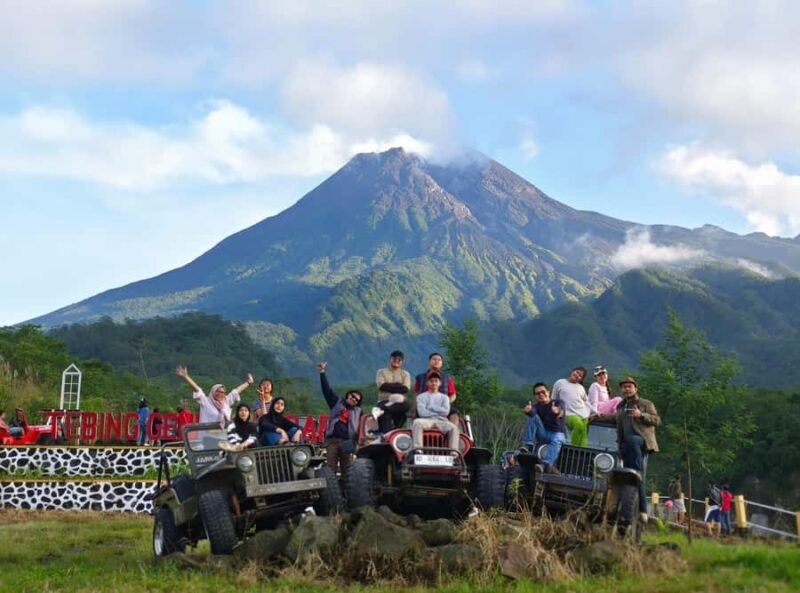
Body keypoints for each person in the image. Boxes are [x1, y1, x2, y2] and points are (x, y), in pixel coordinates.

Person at [616, 376, 660, 523]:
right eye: (624, 387)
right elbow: (617, 423)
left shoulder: (645, 403)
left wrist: (641, 415)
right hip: (627, 448)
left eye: (629, 386)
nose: (626, 389)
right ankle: (640, 511)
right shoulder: (621, 407)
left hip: (642, 443)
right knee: (633, 478)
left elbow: (656, 420)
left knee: (633, 440)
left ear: (636, 388)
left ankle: (642, 510)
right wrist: (597, 416)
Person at [317, 362, 362, 476]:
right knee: (330, 468)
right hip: (333, 440)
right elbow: (326, 390)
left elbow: (364, 427)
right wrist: (322, 373)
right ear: (348, 395)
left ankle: (346, 493)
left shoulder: (358, 412)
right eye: (352, 396)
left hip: (347, 442)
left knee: (347, 470)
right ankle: (330, 492)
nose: (354, 399)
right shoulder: (336, 403)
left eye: (357, 399)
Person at [175, 365, 254, 427]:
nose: (220, 394)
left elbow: (236, 391)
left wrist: (248, 383)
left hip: (223, 436)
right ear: (213, 391)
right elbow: (197, 389)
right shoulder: (206, 401)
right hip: (207, 437)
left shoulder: (226, 401)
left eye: (223, 392)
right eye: (218, 391)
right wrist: (186, 377)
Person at [521, 383, 567, 474]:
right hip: (543, 433)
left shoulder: (558, 402)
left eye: (543, 392)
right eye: (538, 393)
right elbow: (533, 412)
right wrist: (529, 411)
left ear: (548, 392)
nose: (541, 394)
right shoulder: (536, 406)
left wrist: (557, 411)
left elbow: (561, 411)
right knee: (532, 416)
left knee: (557, 440)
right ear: (535, 396)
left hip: (557, 433)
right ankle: (528, 445)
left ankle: (545, 464)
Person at [412, 373, 460, 450]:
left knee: (454, 428)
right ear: (427, 383)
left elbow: (445, 412)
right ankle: (418, 449)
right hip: (426, 420)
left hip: (441, 420)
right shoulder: (421, 397)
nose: (434, 383)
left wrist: (430, 407)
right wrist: (438, 411)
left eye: (436, 381)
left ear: (440, 383)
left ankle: (453, 453)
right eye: (431, 381)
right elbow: (422, 413)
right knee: (417, 423)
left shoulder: (445, 398)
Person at [551, 367, 591, 447]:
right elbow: (553, 398)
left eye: (580, 375)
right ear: (572, 371)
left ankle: (582, 454)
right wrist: (553, 409)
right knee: (578, 425)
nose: (577, 375)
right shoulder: (560, 382)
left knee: (583, 435)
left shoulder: (581, 388)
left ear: (580, 379)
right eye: (577, 372)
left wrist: (596, 411)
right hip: (568, 413)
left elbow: (586, 402)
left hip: (584, 414)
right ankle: (573, 448)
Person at [414, 352, 459, 424]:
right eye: (434, 359)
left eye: (439, 360)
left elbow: (453, 395)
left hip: (442, 407)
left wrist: (446, 402)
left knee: (454, 414)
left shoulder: (447, 378)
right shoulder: (420, 377)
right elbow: (416, 393)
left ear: (442, 363)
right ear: (429, 362)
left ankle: (453, 432)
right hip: (425, 406)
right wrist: (419, 403)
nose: (437, 361)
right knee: (418, 416)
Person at [374, 350, 412, 432]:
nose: (396, 361)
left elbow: (405, 389)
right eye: (394, 359)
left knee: (406, 406)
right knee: (386, 414)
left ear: (402, 361)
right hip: (384, 400)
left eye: (399, 359)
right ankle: (389, 433)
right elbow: (382, 386)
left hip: (400, 402)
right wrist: (398, 385)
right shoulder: (381, 372)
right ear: (390, 359)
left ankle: (382, 411)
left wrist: (389, 386)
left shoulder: (405, 374)